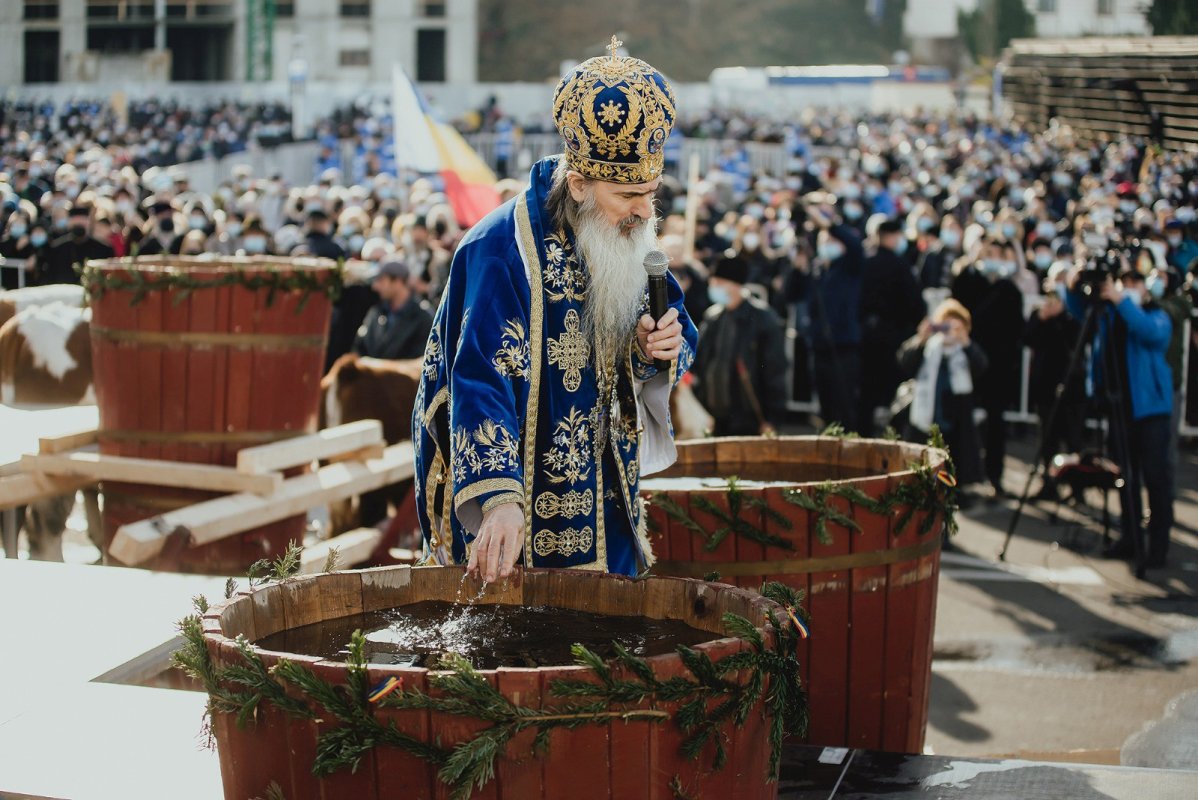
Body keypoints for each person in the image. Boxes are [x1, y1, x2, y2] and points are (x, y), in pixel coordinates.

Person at [412, 40, 698, 581]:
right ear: (580, 184)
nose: (644, 211)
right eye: (629, 195)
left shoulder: (628, 234)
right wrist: (498, 498)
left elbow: (675, 332)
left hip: (605, 497)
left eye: (652, 193)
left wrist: (653, 348)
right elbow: (479, 376)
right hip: (519, 506)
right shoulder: (499, 249)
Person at [1065, 268, 1174, 568]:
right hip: (1118, 407)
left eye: (1134, 283)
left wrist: (1121, 299)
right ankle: (1129, 537)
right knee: (1125, 477)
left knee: (1155, 478)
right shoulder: (1109, 314)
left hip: (1151, 410)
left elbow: (1150, 333)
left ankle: (1158, 546)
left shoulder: (1156, 313)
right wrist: (1074, 285)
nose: (1126, 288)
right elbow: (1078, 310)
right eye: (1122, 282)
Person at [951, 237, 1025, 498]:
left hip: (999, 368)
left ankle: (995, 476)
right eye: (988, 253)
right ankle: (959, 479)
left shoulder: (1010, 291)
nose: (992, 258)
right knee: (962, 420)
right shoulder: (967, 282)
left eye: (998, 254)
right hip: (969, 363)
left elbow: (1017, 332)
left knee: (996, 424)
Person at [691, 252, 787, 436]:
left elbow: (775, 370)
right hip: (714, 417)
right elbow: (700, 360)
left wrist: (772, 419)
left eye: (719, 283)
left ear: (735, 285)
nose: (713, 287)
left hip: (748, 419)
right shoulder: (713, 317)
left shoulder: (764, 319)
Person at [898, 299, 987, 488]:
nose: (948, 330)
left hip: (955, 419)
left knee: (952, 468)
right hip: (925, 419)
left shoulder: (964, 350)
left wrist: (965, 342)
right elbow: (905, 363)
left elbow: (981, 368)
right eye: (945, 323)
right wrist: (920, 338)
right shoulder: (929, 348)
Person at [858, 219, 924, 435]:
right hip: (893, 336)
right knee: (889, 392)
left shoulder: (865, 261)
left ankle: (866, 432)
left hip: (867, 336)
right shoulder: (899, 264)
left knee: (867, 392)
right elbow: (914, 302)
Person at [353, 257, 433, 361]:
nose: (375, 286)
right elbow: (360, 348)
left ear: (397, 282)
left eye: (381, 280)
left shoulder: (423, 317)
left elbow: (422, 362)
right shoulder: (376, 312)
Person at [41, 205, 114, 285]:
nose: (79, 223)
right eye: (76, 221)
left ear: (89, 223)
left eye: (82, 221)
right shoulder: (57, 248)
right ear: (69, 223)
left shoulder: (103, 248)